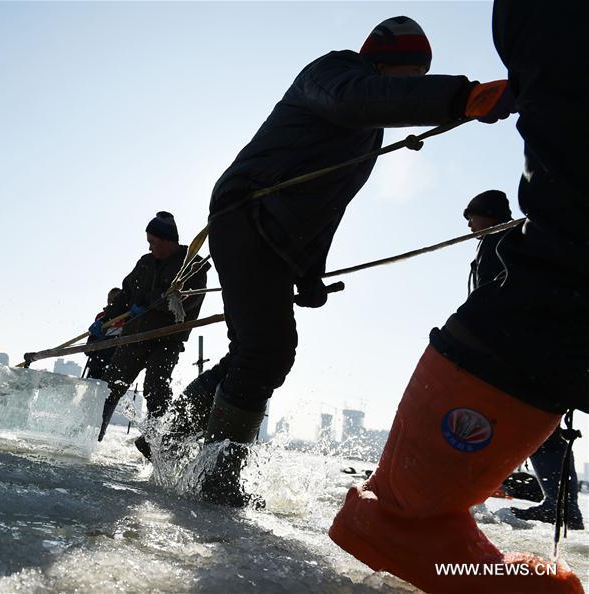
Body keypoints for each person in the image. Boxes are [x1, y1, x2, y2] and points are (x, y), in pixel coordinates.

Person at [166, 15, 511, 508]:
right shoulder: (335, 73)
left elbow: (328, 206)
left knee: (253, 348)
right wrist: (460, 97)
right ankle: (216, 476)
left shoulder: (366, 135)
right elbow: (359, 98)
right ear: (388, 62)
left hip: (273, 236)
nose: (410, 92)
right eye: (411, 80)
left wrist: (310, 272)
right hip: (247, 213)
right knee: (267, 350)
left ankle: (175, 434)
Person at [330, 2, 587, 592]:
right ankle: (409, 515)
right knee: (573, 256)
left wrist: (455, 98)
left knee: (570, 266)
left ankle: (409, 513)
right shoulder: (336, 75)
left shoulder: (497, 240)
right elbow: (353, 96)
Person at [464, 190, 584, 531]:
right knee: (536, 429)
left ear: (487, 213)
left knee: (498, 423)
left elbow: (493, 295)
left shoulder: (501, 241)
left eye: (471, 213)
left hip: (511, 351)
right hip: (525, 348)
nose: (468, 221)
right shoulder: (501, 241)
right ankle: (563, 507)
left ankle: (560, 507)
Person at [94, 212, 208, 450]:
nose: (150, 247)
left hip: (166, 339)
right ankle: (93, 435)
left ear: (168, 241)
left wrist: (152, 300)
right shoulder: (145, 263)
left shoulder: (192, 265)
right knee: (110, 387)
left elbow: (187, 302)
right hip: (133, 336)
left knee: (156, 388)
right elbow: (126, 294)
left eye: (154, 242)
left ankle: (156, 444)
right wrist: (107, 318)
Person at [84, 288, 124, 380]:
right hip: (98, 362)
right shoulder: (101, 317)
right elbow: (90, 346)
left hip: (116, 362)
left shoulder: (128, 317)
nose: (112, 302)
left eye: (115, 300)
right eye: (110, 300)